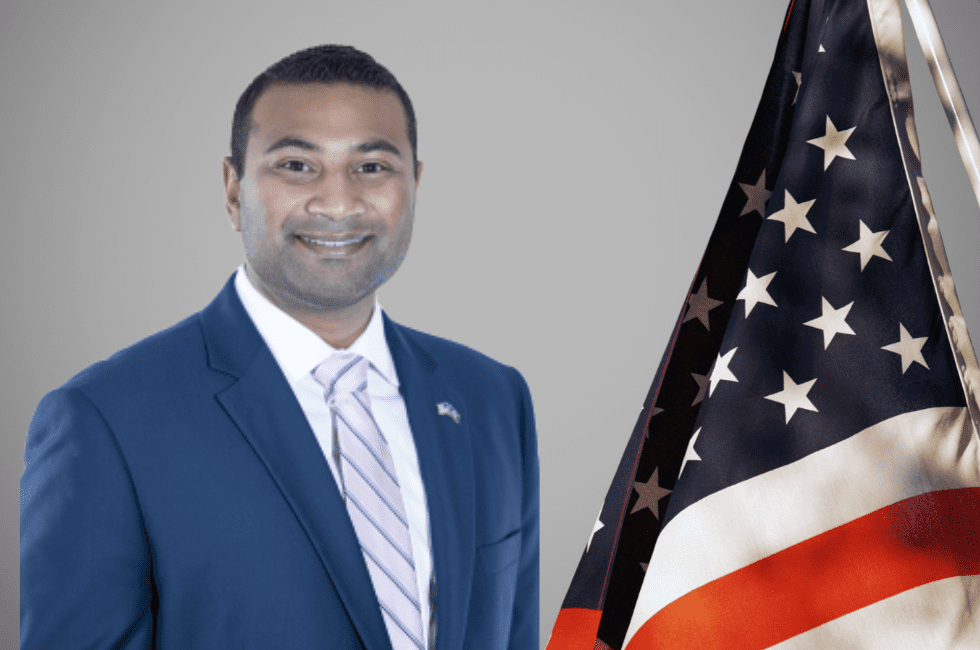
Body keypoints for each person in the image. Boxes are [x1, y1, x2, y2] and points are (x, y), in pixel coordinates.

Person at [20, 44, 538, 650]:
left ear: (414, 184)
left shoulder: (493, 400)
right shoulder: (106, 420)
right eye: (297, 165)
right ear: (234, 189)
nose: (338, 203)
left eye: (372, 167)